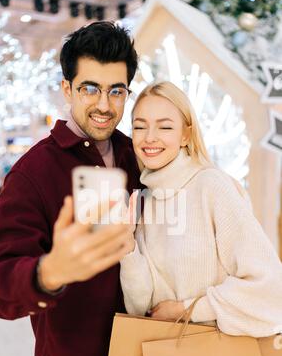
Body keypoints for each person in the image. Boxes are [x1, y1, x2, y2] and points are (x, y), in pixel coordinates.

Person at [0, 22, 140, 356]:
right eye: (90, 88)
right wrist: (50, 272)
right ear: (67, 89)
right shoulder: (32, 173)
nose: (104, 104)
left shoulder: (138, 155)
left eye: (116, 90)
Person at [120, 81, 282, 337]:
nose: (149, 137)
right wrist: (128, 247)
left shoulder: (211, 186)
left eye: (165, 126)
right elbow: (140, 308)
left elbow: (269, 287)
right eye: (140, 126)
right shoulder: (145, 200)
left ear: (186, 134)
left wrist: (188, 310)